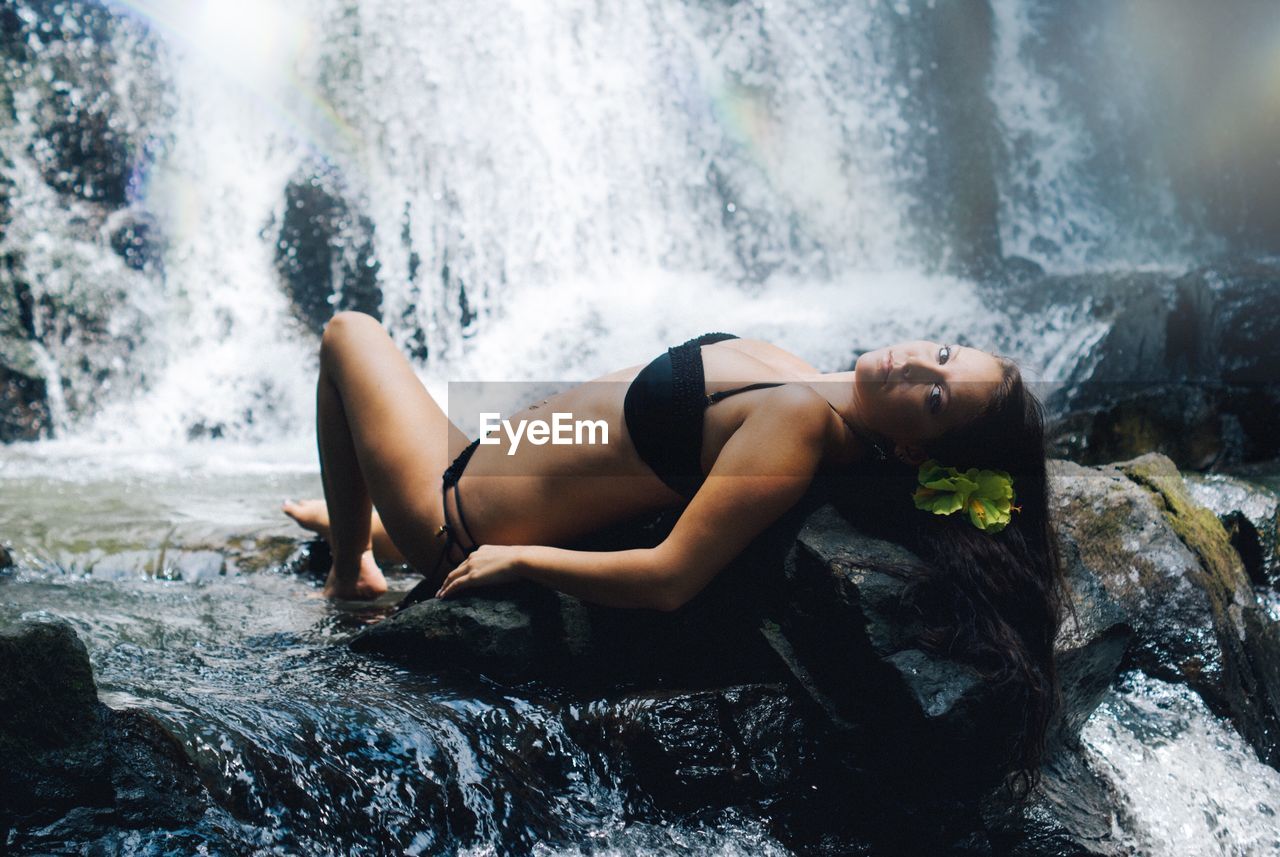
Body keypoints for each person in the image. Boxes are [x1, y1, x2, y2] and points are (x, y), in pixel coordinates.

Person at [284, 310, 1067, 789]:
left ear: (911, 454)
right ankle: (362, 522)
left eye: (933, 395)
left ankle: (354, 568)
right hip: (487, 456)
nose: (918, 360)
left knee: (348, 335)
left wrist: (519, 563)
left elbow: (670, 577)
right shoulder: (820, 393)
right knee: (383, 407)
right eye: (946, 350)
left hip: (456, 511)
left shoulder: (798, 424)